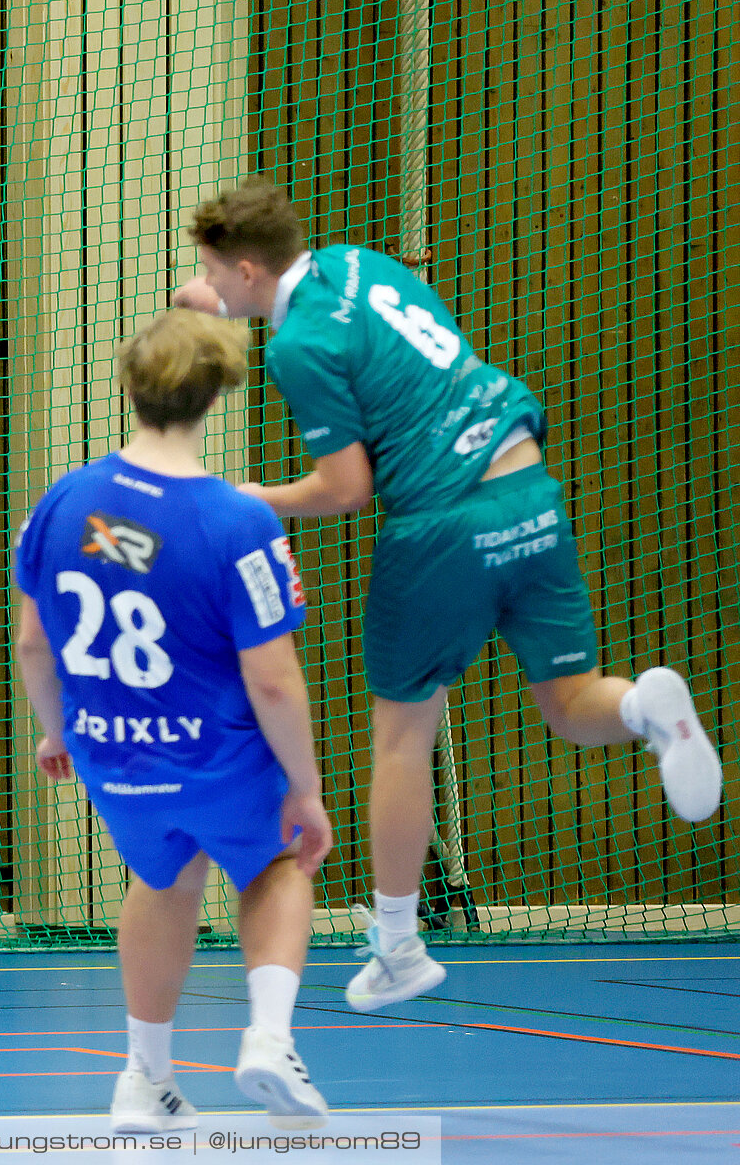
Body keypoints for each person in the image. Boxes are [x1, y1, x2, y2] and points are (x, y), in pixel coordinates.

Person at [173, 178, 722, 1011]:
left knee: (401, 734)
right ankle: (649, 709)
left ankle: (397, 945)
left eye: (214, 269)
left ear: (246, 269)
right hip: (528, 487)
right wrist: (217, 304)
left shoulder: (297, 350)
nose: (210, 280)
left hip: (442, 524)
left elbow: (347, 487)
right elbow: (363, 353)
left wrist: (259, 498)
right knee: (572, 705)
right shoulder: (363, 266)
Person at [14, 309, 333, 1132]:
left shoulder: (60, 504)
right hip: (216, 754)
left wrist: (56, 734)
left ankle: (145, 1079)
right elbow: (272, 680)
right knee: (278, 864)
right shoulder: (238, 520)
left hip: (113, 759)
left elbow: (32, 646)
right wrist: (306, 786)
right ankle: (268, 1038)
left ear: (129, 386)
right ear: (218, 395)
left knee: (164, 880)